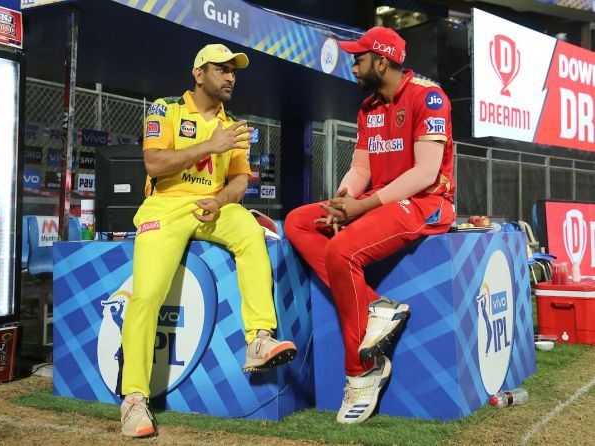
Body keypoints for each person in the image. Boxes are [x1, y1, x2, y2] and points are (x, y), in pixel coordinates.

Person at [119, 44, 297, 438]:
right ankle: (133, 399)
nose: (231, 77)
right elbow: (154, 164)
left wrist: (220, 200)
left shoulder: (235, 125)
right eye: (221, 70)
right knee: (146, 294)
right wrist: (208, 146)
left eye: (234, 71)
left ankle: (259, 339)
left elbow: (238, 180)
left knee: (252, 234)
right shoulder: (165, 109)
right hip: (165, 207)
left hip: (212, 208)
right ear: (199, 74)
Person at [284, 27, 455, 424]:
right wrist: (344, 200)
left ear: (382, 61)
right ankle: (377, 303)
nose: (353, 65)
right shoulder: (368, 107)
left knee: (341, 250)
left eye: (358, 58)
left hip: (425, 203)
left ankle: (363, 372)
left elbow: (426, 173)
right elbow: (361, 166)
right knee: (298, 222)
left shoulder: (429, 97)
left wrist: (363, 207)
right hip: (379, 201)